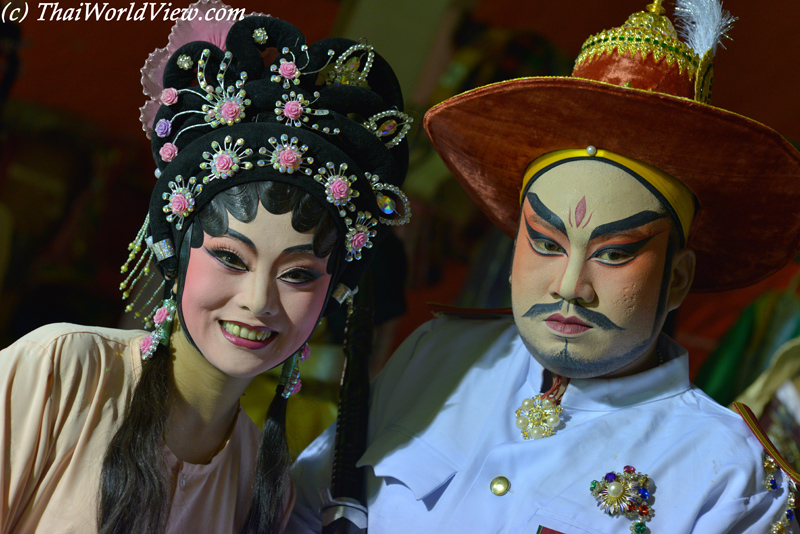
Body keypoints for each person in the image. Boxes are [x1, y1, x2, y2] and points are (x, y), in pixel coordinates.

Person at [288, 1, 800, 532]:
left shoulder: (732, 476)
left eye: (615, 252)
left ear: (677, 279)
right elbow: (301, 509)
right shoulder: (440, 355)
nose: (569, 286)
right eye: (548, 243)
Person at [0, 1, 411, 532]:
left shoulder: (263, 486)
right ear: (176, 253)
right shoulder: (63, 371)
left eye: (299, 274)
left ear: (334, 291)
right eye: (229, 257)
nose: (259, 301)